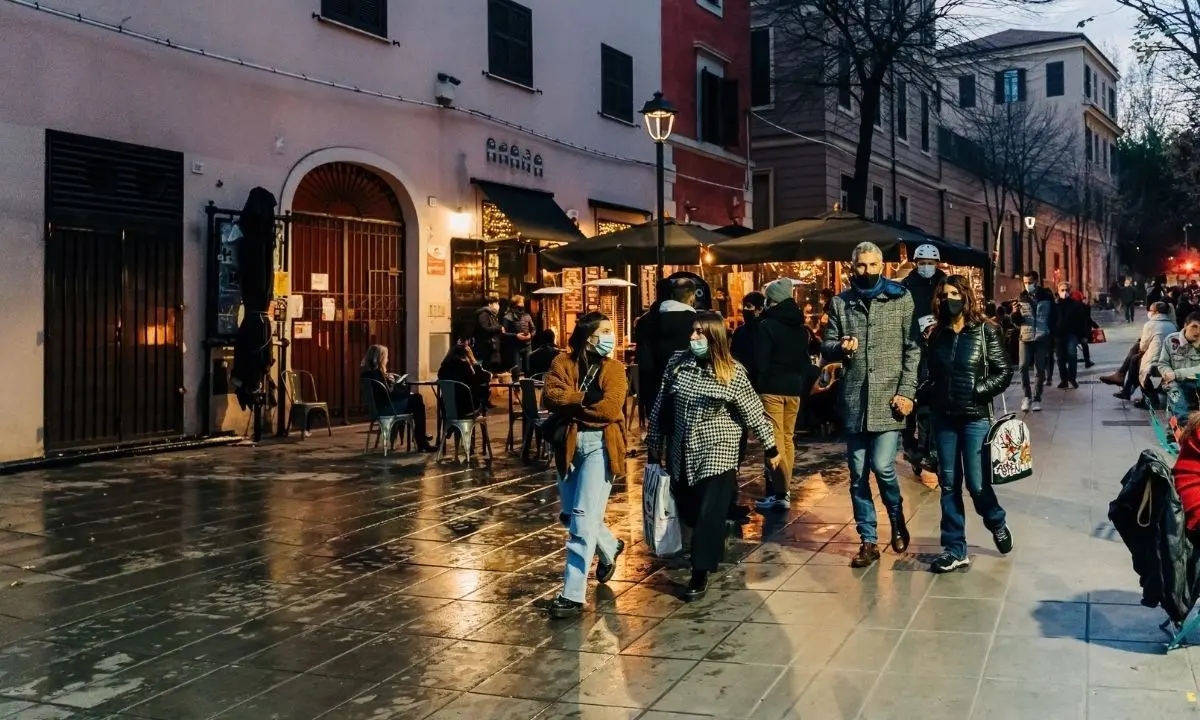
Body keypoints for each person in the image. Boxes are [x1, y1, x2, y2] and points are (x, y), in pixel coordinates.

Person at [647, 311, 779, 600]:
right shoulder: (677, 364)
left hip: (719, 447)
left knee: (708, 511)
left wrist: (771, 448)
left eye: (700, 333)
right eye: (692, 332)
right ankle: (716, 537)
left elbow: (754, 412)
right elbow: (660, 403)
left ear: (714, 337)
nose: (693, 337)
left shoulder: (732, 373)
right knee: (692, 511)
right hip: (683, 447)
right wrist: (653, 440)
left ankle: (699, 571)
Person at [822, 241, 920, 568]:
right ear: (853, 267)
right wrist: (841, 347)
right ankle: (868, 540)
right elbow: (827, 347)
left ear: (882, 266)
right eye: (861, 266)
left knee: (883, 466)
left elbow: (912, 349)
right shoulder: (841, 303)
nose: (866, 271)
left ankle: (896, 517)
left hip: (890, 400)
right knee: (857, 474)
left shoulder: (900, 298)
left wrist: (907, 391)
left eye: (872, 265)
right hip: (854, 400)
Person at [922, 275, 1015, 572]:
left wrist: (976, 391)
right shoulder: (937, 334)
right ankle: (954, 548)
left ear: (966, 296)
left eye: (954, 293)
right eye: (944, 294)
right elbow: (931, 375)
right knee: (948, 484)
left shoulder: (986, 331)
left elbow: (1004, 372)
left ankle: (996, 520)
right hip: (944, 418)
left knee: (976, 484)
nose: (950, 299)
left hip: (975, 419)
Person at [541, 312, 628, 619]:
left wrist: (573, 405)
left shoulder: (614, 368)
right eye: (604, 331)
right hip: (567, 445)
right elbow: (550, 396)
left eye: (611, 331)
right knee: (570, 514)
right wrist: (585, 398)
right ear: (588, 335)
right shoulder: (561, 364)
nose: (610, 337)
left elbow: (610, 408)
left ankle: (573, 594)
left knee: (580, 521)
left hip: (600, 446)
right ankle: (610, 545)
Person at [753, 279, 814, 510]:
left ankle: (780, 493)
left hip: (772, 389)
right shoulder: (800, 327)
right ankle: (783, 490)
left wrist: (761, 380)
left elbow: (761, 360)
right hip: (794, 388)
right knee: (787, 439)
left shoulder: (767, 326)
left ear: (773, 300)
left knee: (774, 442)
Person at [901, 244, 946, 475]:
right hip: (914, 346)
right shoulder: (906, 287)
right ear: (916, 263)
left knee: (934, 400)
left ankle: (931, 448)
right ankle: (913, 446)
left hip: (940, 346)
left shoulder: (945, 284)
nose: (927, 267)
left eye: (931, 263)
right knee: (916, 397)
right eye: (922, 263)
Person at [635, 276, 698, 422]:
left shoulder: (645, 320)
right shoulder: (696, 320)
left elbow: (643, 357)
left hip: (655, 386)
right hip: (687, 387)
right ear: (692, 296)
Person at [360, 345, 436, 452]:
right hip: (387, 408)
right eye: (386, 357)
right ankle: (421, 441)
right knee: (417, 399)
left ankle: (421, 438)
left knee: (415, 400)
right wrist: (399, 388)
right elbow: (390, 396)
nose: (387, 360)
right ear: (381, 358)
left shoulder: (366, 374)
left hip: (377, 409)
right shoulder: (378, 373)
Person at [1012, 271, 1056, 412]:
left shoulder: (1047, 295)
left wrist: (1051, 333)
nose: (1027, 285)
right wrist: (1014, 312)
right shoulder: (1022, 296)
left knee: (1040, 368)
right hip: (1025, 336)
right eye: (1025, 282)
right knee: (1023, 366)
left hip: (1042, 337)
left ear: (1036, 281)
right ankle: (1027, 396)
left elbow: (1054, 316)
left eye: (1030, 282)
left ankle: (1037, 398)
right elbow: (1017, 322)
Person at [1146, 311, 1200, 426]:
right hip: (1177, 383)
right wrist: (1168, 372)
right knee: (1172, 387)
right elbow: (1163, 363)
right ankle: (1184, 423)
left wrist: (1176, 373)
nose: (1198, 331)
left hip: (1196, 381)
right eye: (1194, 326)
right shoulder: (1171, 340)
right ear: (1186, 325)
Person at [437, 344, 491, 416]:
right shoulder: (464, 366)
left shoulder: (443, 369)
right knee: (483, 391)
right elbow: (484, 377)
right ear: (465, 355)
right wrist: (474, 361)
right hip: (465, 408)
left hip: (446, 408)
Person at [1054, 281, 1087, 389]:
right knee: (1060, 359)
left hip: (1071, 334)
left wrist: (1083, 336)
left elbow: (1082, 321)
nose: (1064, 292)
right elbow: (1051, 320)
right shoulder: (1055, 305)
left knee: (1072, 355)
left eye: (1066, 290)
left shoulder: (1075, 304)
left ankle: (1072, 378)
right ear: (1058, 291)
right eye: (1062, 290)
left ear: (1070, 291)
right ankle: (1064, 380)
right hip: (1059, 335)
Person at [730, 291, 764, 377]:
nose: (744, 309)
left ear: (760, 309)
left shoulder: (765, 330)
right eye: (744, 305)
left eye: (748, 306)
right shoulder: (739, 331)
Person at [502, 295, 535, 373]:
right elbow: (503, 334)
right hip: (515, 346)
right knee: (516, 370)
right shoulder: (507, 317)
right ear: (514, 305)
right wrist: (516, 336)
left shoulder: (527, 316)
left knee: (528, 369)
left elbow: (533, 329)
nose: (522, 305)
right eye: (520, 303)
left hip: (527, 345)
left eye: (522, 303)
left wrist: (530, 335)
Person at [473, 296, 504, 371]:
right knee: (488, 369)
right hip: (487, 347)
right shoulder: (483, 314)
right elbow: (485, 329)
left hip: (492, 346)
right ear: (490, 304)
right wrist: (499, 328)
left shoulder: (491, 315)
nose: (498, 306)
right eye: (496, 303)